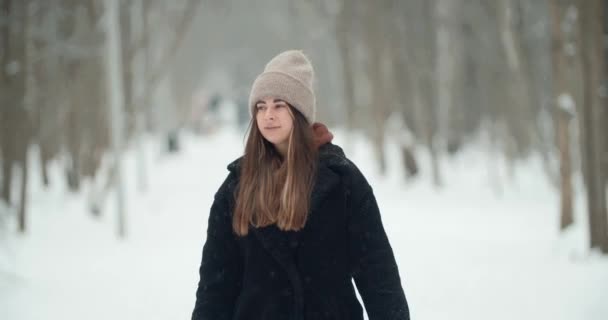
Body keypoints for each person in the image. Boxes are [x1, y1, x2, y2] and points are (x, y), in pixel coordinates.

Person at [191, 50, 409, 320]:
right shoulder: (236, 187)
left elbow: (378, 276)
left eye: (279, 105)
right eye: (261, 106)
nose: (268, 115)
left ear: (300, 111)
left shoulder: (343, 182)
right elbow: (215, 287)